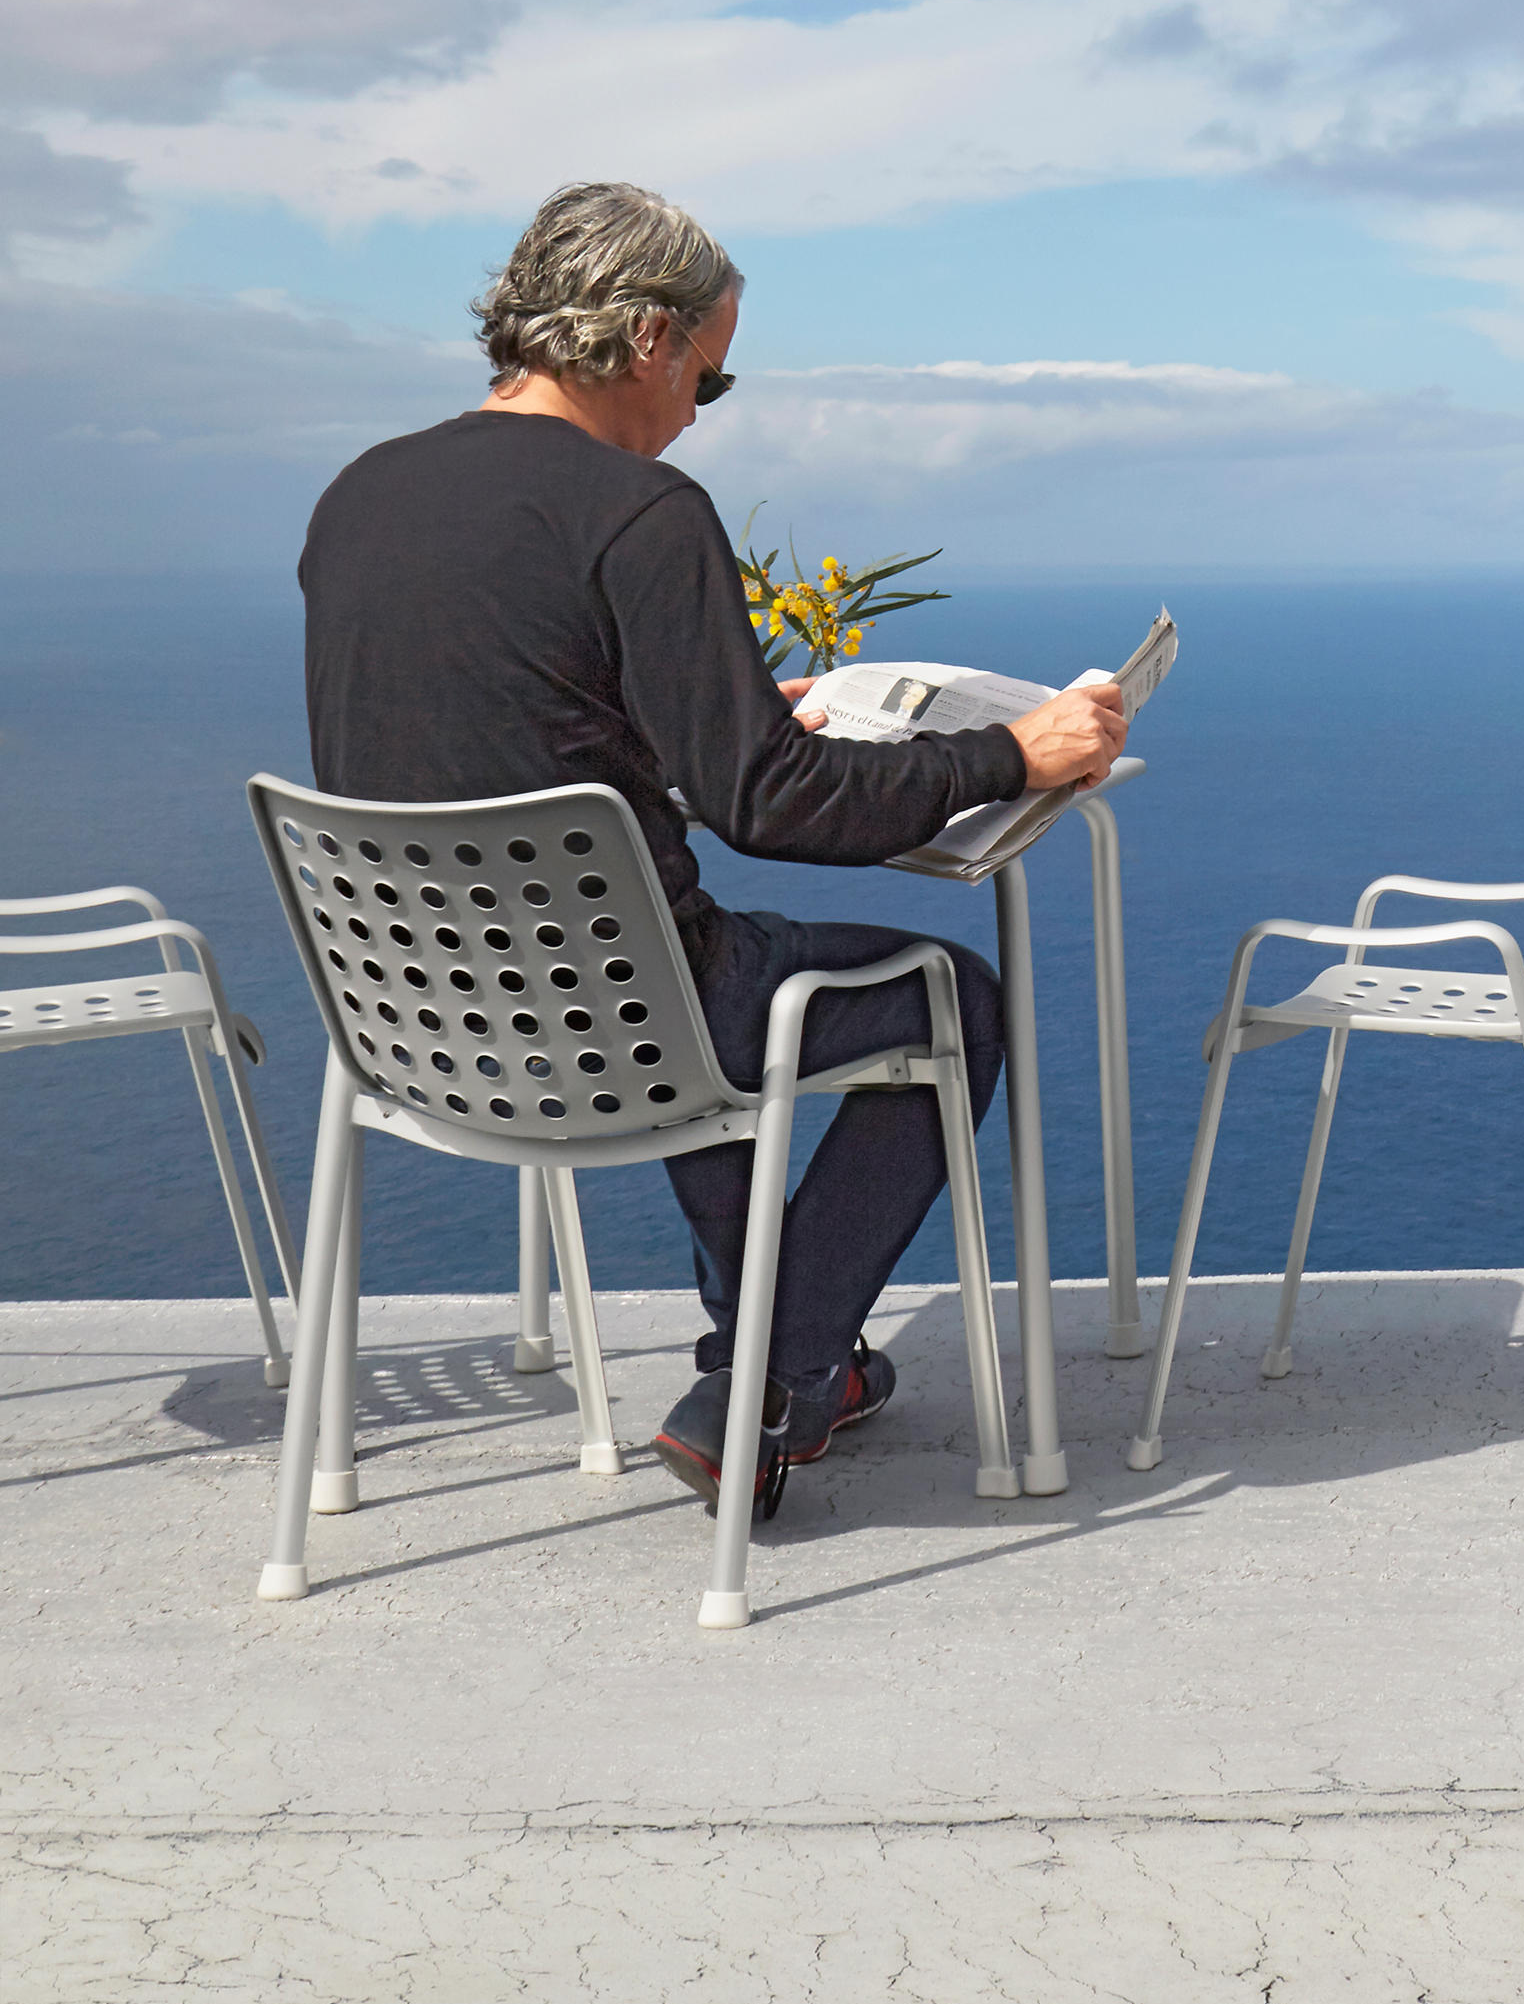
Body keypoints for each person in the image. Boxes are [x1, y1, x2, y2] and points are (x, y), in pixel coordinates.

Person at [298, 179, 1127, 1513]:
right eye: (710, 377)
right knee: (949, 999)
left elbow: (474, 729)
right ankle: (771, 1377)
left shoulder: (360, 494)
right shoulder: (641, 510)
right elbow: (775, 808)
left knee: (686, 959)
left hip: (416, 1026)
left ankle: (766, 1365)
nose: (698, 413)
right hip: (617, 1023)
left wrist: (685, 710)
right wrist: (1007, 758)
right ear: (647, 338)